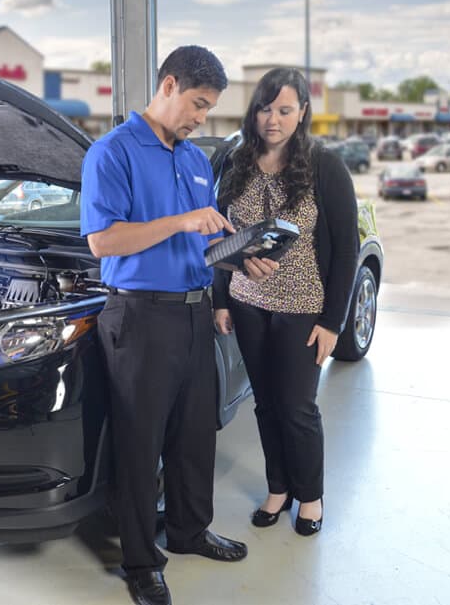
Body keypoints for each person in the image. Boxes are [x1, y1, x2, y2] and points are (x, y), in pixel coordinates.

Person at [80, 46, 275, 605]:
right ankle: (142, 561)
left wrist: (241, 254)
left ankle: (190, 531)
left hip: (194, 312)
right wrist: (179, 221)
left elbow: (204, 238)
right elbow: (104, 241)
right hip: (140, 317)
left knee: (195, 435)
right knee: (141, 446)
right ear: (168, 85)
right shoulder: (111, 152)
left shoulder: (192, 158)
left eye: (208, 108)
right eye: (196, 103)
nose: (199, 117)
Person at [213, 67, 359, 537]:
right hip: (246, 302)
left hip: (303, 306)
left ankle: (310, 495)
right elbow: (222, 236)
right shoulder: (236, 160)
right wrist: (221, 298)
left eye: (283, 109)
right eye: (264, 108)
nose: (271, 119)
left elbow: (346, 249)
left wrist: (334, 322)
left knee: (297, 407)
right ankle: (278, 487)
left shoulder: (324, 166)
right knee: (266, 405)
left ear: (301, 113)